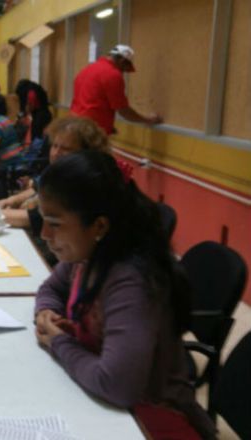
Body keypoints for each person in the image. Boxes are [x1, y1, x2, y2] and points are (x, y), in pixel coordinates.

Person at [34, 150, 216, 440]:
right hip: (105, 404)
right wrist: (47, 312)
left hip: (148, 422)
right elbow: (50, 289)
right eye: (43, 219)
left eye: (54, 223)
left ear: (99, 226)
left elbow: (117, 385)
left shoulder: (131, 281)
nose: (44, 233)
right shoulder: (87, 254)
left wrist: (60, 343)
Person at [0, 116, 110, 233]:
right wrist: (11, 200)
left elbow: (38, 219)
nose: (56, 153)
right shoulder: (58, 172)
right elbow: (37, 188)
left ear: (85, 153)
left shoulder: (81, 181)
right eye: (55, 146)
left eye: (66, 149)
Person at [71, 45, 162, 135]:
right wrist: (147, 119)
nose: (122, 72)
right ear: (122, 61)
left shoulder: (87, 69)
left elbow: (90, 99)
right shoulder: (112, 74)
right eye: (124, 69)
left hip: (74, 125)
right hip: (92, 130)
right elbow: (123, 111)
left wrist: (108, 125)